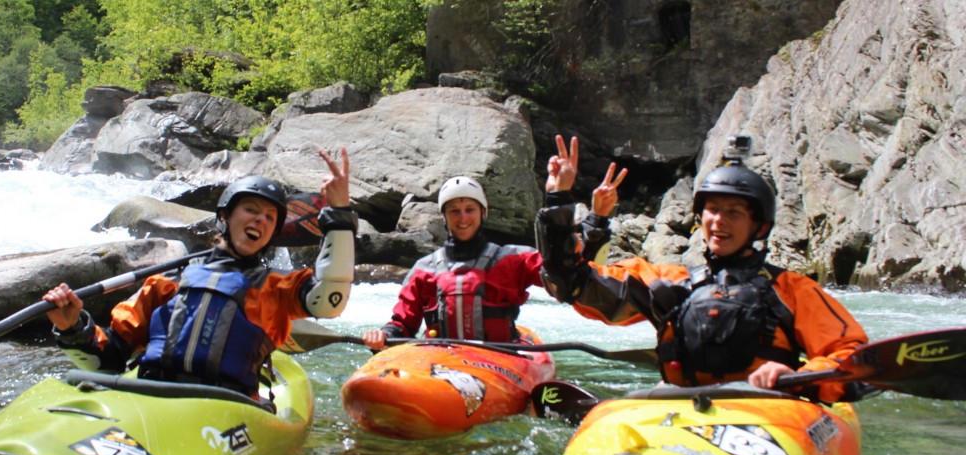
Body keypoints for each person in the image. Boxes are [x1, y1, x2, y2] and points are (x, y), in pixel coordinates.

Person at [535, 135, 870, 403]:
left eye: (734, 212)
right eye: (711, 210)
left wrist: (798, 378)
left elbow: (853, 357)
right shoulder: (672, 285)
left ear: (760, 228)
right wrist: (558, 199)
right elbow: (573, 283)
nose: (718, 221)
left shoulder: (793, 290)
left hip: (771, 408)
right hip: (685, 410)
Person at [43, 148, 357, 399]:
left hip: (228, 409)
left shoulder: (277, 288)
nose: (261, 220)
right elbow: (107, 360)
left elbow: (331, 298)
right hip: (150, 397)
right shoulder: (167, 282)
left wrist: (339, 215)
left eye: (270, 217)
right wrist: (73, 328)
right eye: (251, 210)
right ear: (224, 216)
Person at [362, 175, 545, 350]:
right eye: (454, 211)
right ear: (444, 217)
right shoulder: (424, 270)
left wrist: (557, 200)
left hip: (499, 359)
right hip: (441, 361)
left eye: (470, 209)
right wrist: (385, 335)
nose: (463, 217)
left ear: (483, 212)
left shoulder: (512, 260)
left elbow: (558, 273)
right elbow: (403, 324)